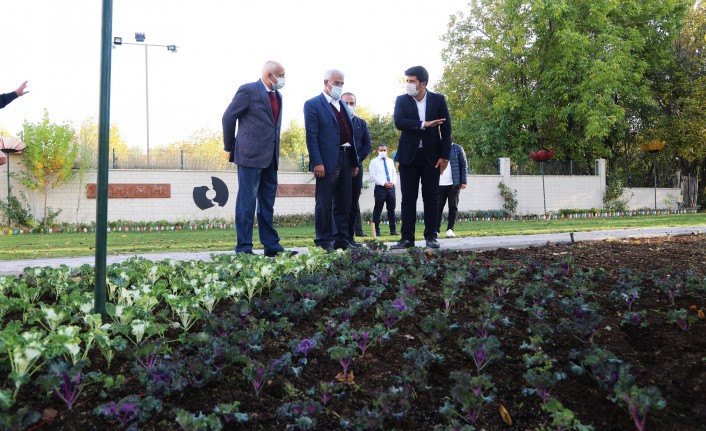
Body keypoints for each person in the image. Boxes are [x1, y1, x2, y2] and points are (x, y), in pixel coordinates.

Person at [222, 61, 295, 257]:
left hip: (271, 157)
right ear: (269, 74)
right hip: (249, 156)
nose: (283, 78)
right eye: (281, 74)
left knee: (267, 203)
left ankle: (271, 246)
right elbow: (228, 117)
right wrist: (230, 146)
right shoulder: (248, 90)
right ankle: (244, 247)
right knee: (246, 203)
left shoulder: (277, 95)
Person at [391, 66, 452, 250]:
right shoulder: (402, 100)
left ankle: (431, 236)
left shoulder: (438, 100)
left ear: (423, 83)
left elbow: (446, 130)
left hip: (431, 157)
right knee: (408, 199)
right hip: (408, 157)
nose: (408, 84)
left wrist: (445, 156)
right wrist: (424, 124)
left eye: (411, 81)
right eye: (407, 81)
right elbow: (399, 122)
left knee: (431, 197)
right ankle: (407, 238)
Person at [304, 69, 360, 252]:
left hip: (346, 157)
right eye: (336, 83)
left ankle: (341, 239)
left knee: (344, 202)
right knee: (324, 202)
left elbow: (350, 134)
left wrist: (354, 161)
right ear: (326, 82)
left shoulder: (343, 105)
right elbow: (312, 136)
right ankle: (323, 240)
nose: (339, 86)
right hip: (327, 160)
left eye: (341, 83)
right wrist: (317, 161)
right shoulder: (313, 104)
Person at [342, 92, 372, 243]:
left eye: (351, 103)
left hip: (356, 168)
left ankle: (350, 237)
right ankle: (337, 237)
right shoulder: (336, 121)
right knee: (340, 203)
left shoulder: (361, 123)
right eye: (345, 102)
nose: (349, 106)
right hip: (339, 166)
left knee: (353, 203)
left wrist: (356, 160)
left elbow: (367, 145)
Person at [438, 143, 467, 238]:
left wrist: (463, 181)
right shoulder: (435, 147)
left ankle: (450, 229)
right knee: (437, 208)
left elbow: (463, 165)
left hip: (453, 184)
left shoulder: (458, 148)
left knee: (453, 207)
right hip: (439, 184)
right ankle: (435, 230)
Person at [369, 143, 398, 236]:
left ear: (387, 151)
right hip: (380, 188)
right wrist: (383, 183)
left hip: (391, 188)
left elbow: (394, 173)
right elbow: (373, 176)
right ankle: (376, 231)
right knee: (378, 210)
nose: (382, 152)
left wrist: (393, 182)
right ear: (378, 151)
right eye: (381, 150)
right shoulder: (374, 162)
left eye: (384, 150)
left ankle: (393, 231)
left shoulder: (390, 161)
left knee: (391, 210)